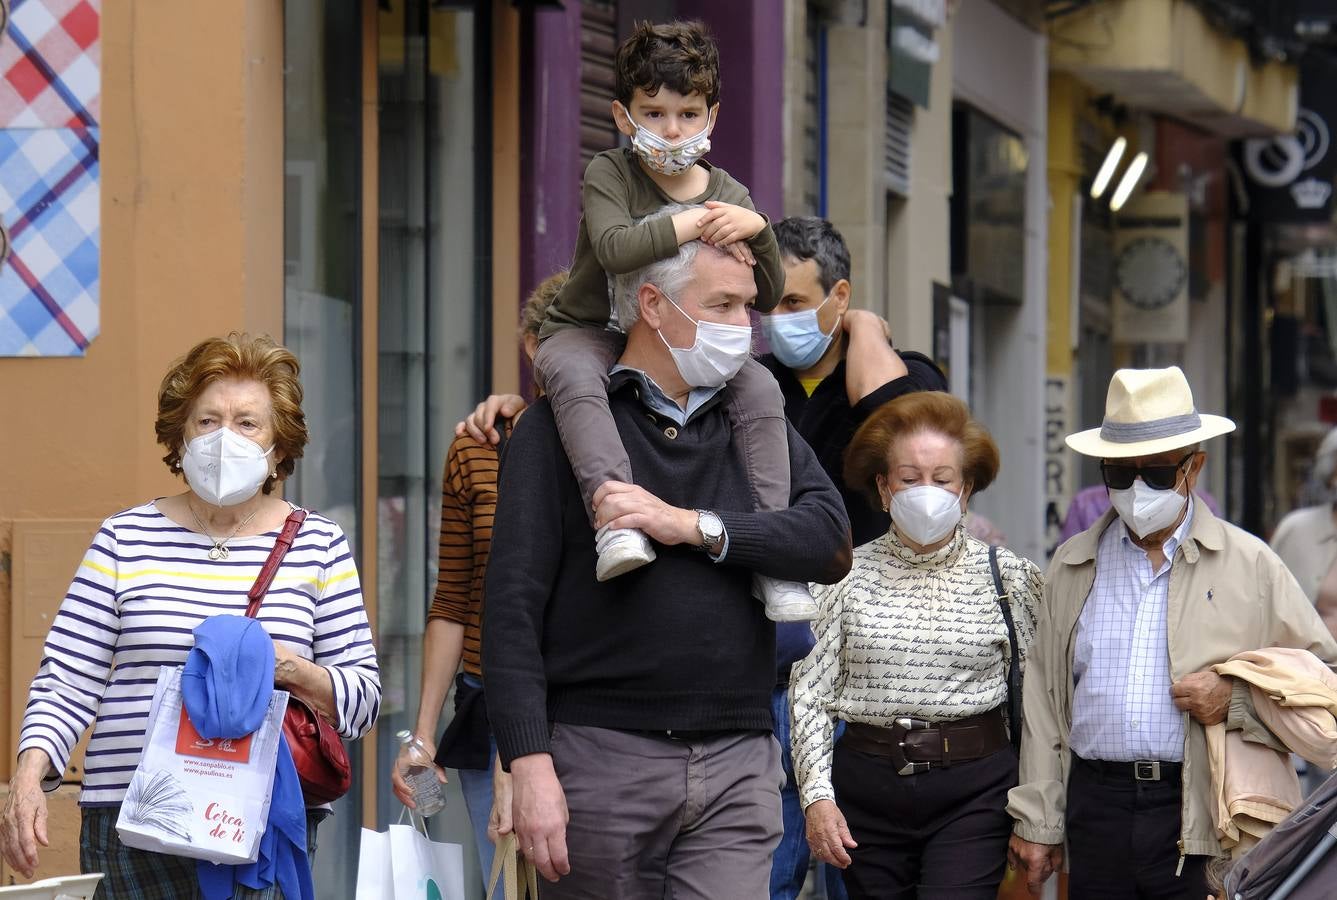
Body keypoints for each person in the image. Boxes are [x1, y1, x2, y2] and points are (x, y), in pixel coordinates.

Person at [482, 218, 853, 899]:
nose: (744, 326)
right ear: (652, 305)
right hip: (599, 757)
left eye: (747, 306)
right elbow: (509, 608)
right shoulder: (555, 429)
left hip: (738, 755)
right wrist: (527, 762)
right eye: (722, 306)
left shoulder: (753, 422)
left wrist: (694, 526)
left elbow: (828, 541)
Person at [0, 333, 381, 897]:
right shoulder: (124, 537)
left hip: (258, 824)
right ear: (181, 435)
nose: (225, 438)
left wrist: (288, 668)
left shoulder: (318, 544)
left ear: (279, 448)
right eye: (208, 421)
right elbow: (68, 678)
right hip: (132, 820)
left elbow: (363, 698)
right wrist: (29, 777)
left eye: (248, 423)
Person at [1007, 366, 1337, 899]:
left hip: (1203, 815)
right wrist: (1038, 820)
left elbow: (1326, 685)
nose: (1138, 490)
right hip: (1096, 806)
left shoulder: (1249, 565)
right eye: (1120, 473)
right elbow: (1045, 699)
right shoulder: (1072, 564)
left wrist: (1236, 699)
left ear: (1194, 468)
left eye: (1157, 474)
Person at [532, 20, 818, 621]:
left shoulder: (731, 194)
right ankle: (614, 517)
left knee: (761, 387)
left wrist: (761, 232)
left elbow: (762, 295)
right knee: (571, 374)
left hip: (677, 340)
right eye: (653, 112)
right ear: (621, 114)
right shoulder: (609, 173)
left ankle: (768, 550)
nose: (671, 129)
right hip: (591, 328)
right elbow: (613, 249)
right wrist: (691, 222)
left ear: (712, 117)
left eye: (688, 113)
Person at [790, 391, 1042, 898]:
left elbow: (1040, 704)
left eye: (942, 479)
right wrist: (817, 799)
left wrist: (1039, 814)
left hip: (976, 791)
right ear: (883, 488)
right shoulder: (843, 577)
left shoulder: (1011, 578)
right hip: (868, 793)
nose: (925, 491)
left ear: (965, 489)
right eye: (909, 479)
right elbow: (809, 697)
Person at [761, 215, 947, 900]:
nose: (777, 321)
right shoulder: (751, 387)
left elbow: (899, 428)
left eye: (794, 302)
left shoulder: (908, 376)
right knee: (767, 875)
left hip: (868, 679)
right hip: (777, 670)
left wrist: (864, 330)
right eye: (767, 304)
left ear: (838, 296)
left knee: (859, 880)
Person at [390, 274, 563, 878]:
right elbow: (453, 599)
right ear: (530, 347)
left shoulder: (614, 450)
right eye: (551, 349)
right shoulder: (478, 447)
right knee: (507, 880)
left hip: (578, 707)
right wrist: (423, 734)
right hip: (486, 701)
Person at [1060, 482, 1222, 544]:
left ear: (1192, 468)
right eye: (1122, 469)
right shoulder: (1085, 503)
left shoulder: (1204, 504)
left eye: (1157, 471)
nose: (1138, 483)